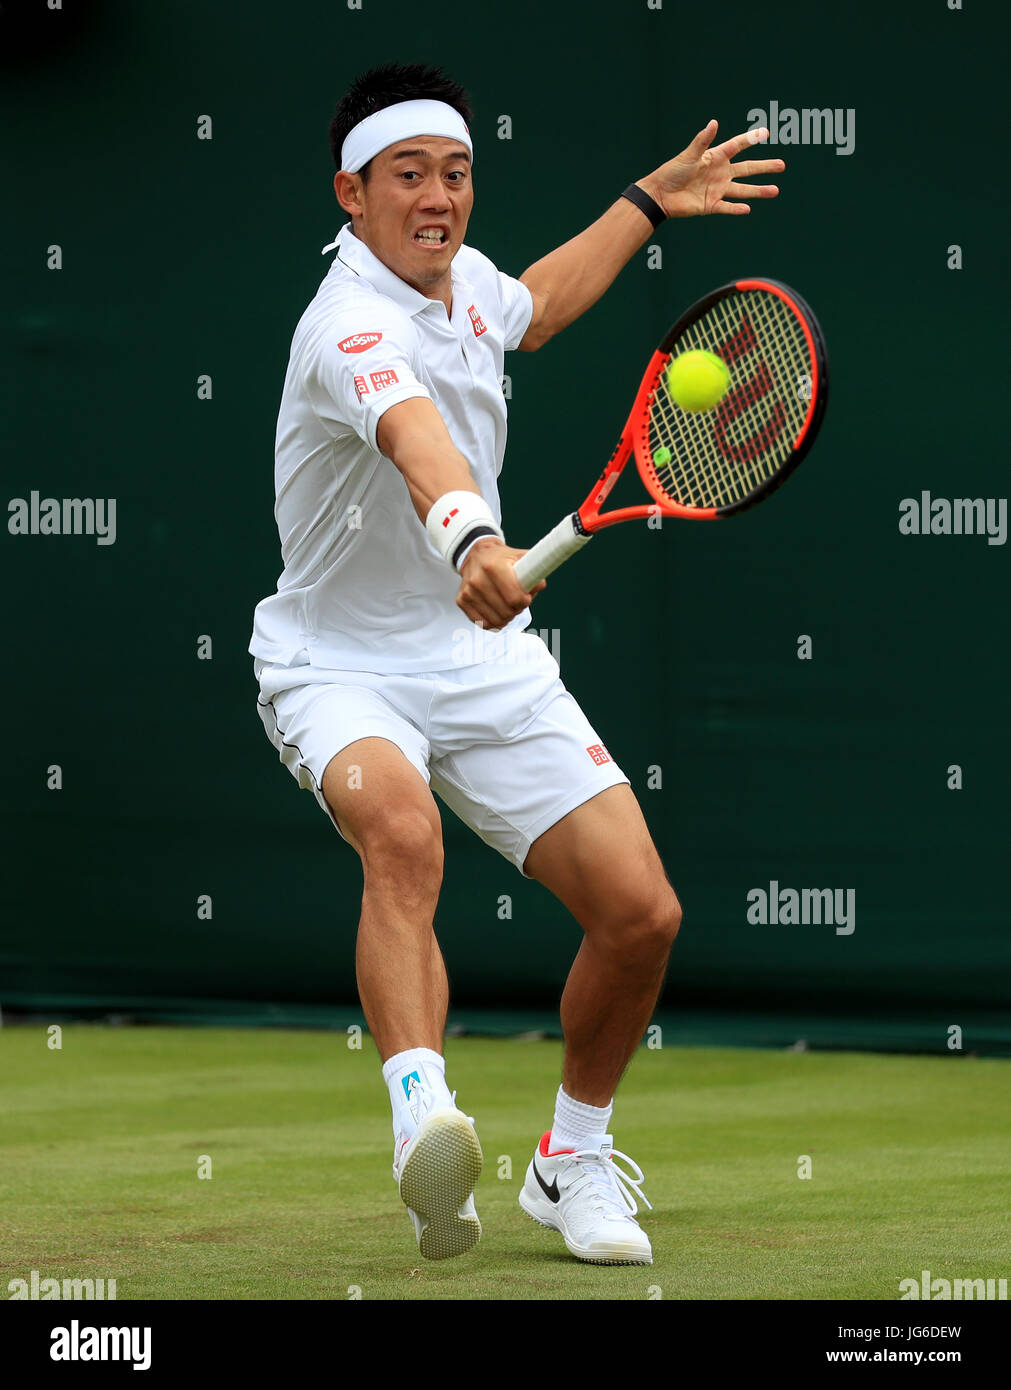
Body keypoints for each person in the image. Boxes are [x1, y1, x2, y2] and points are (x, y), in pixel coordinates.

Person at [250, 63, 785, 1265]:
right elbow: (418, 439)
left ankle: (570, 1161)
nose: (439, 198)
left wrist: (644, 202)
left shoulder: (463, 287)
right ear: (352, 194)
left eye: (457, 173)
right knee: (402, 832)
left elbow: (535, 302)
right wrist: (473, 538)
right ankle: (420, 1116)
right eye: (409, 177)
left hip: (477, 660)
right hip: (335, 665)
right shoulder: (346, 324)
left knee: (642, 914)